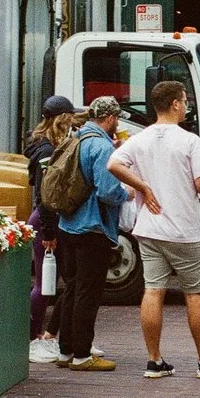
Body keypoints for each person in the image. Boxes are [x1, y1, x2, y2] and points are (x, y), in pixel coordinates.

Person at [106, 81, 200, 380]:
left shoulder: (140, 140)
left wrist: (142, 185)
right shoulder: (189, 141)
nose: (186, 106)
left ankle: (154, 360)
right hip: (185, 230)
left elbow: (113, 164)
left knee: (153, 290)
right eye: (184, 100)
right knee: (195, 294)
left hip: (150, 229)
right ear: (176, 104)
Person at [53, 97, 125, 370]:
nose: (117, 123)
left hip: (68, 224)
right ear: (109, 118)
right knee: (88, 292)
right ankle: (83, 354)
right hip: (92, 227)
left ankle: (66, 350)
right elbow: (107, 191)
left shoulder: (77, 138)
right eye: (116, 118)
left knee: (71, 288)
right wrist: (126, 193)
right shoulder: (102, 146)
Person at [23, 95, 72, 358]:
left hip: (44, 220)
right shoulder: (46, 151)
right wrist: (50, 232)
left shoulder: (41, 146)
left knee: (50, 282)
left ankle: (41, 334)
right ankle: (31, 338)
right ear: (62, 119)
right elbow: (44, 195)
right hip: (45, 222)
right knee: (44, 284)